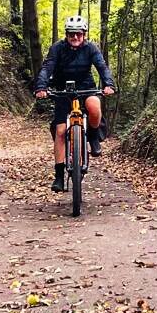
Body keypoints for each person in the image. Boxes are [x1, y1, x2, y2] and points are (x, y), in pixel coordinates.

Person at [34, 14, 115, 192]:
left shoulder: (91, 48)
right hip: (63, 90)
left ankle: (93, 137)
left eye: (79, 34)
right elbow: (47, 67)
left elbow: (102, 67)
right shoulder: (57, 48)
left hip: (86, 87)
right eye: (72, 34)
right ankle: (59, 176)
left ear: (84, 34)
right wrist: (41, 86)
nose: (75, 37)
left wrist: (108, 84)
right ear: (67, 35)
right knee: (60, 131)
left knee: (94, 106)